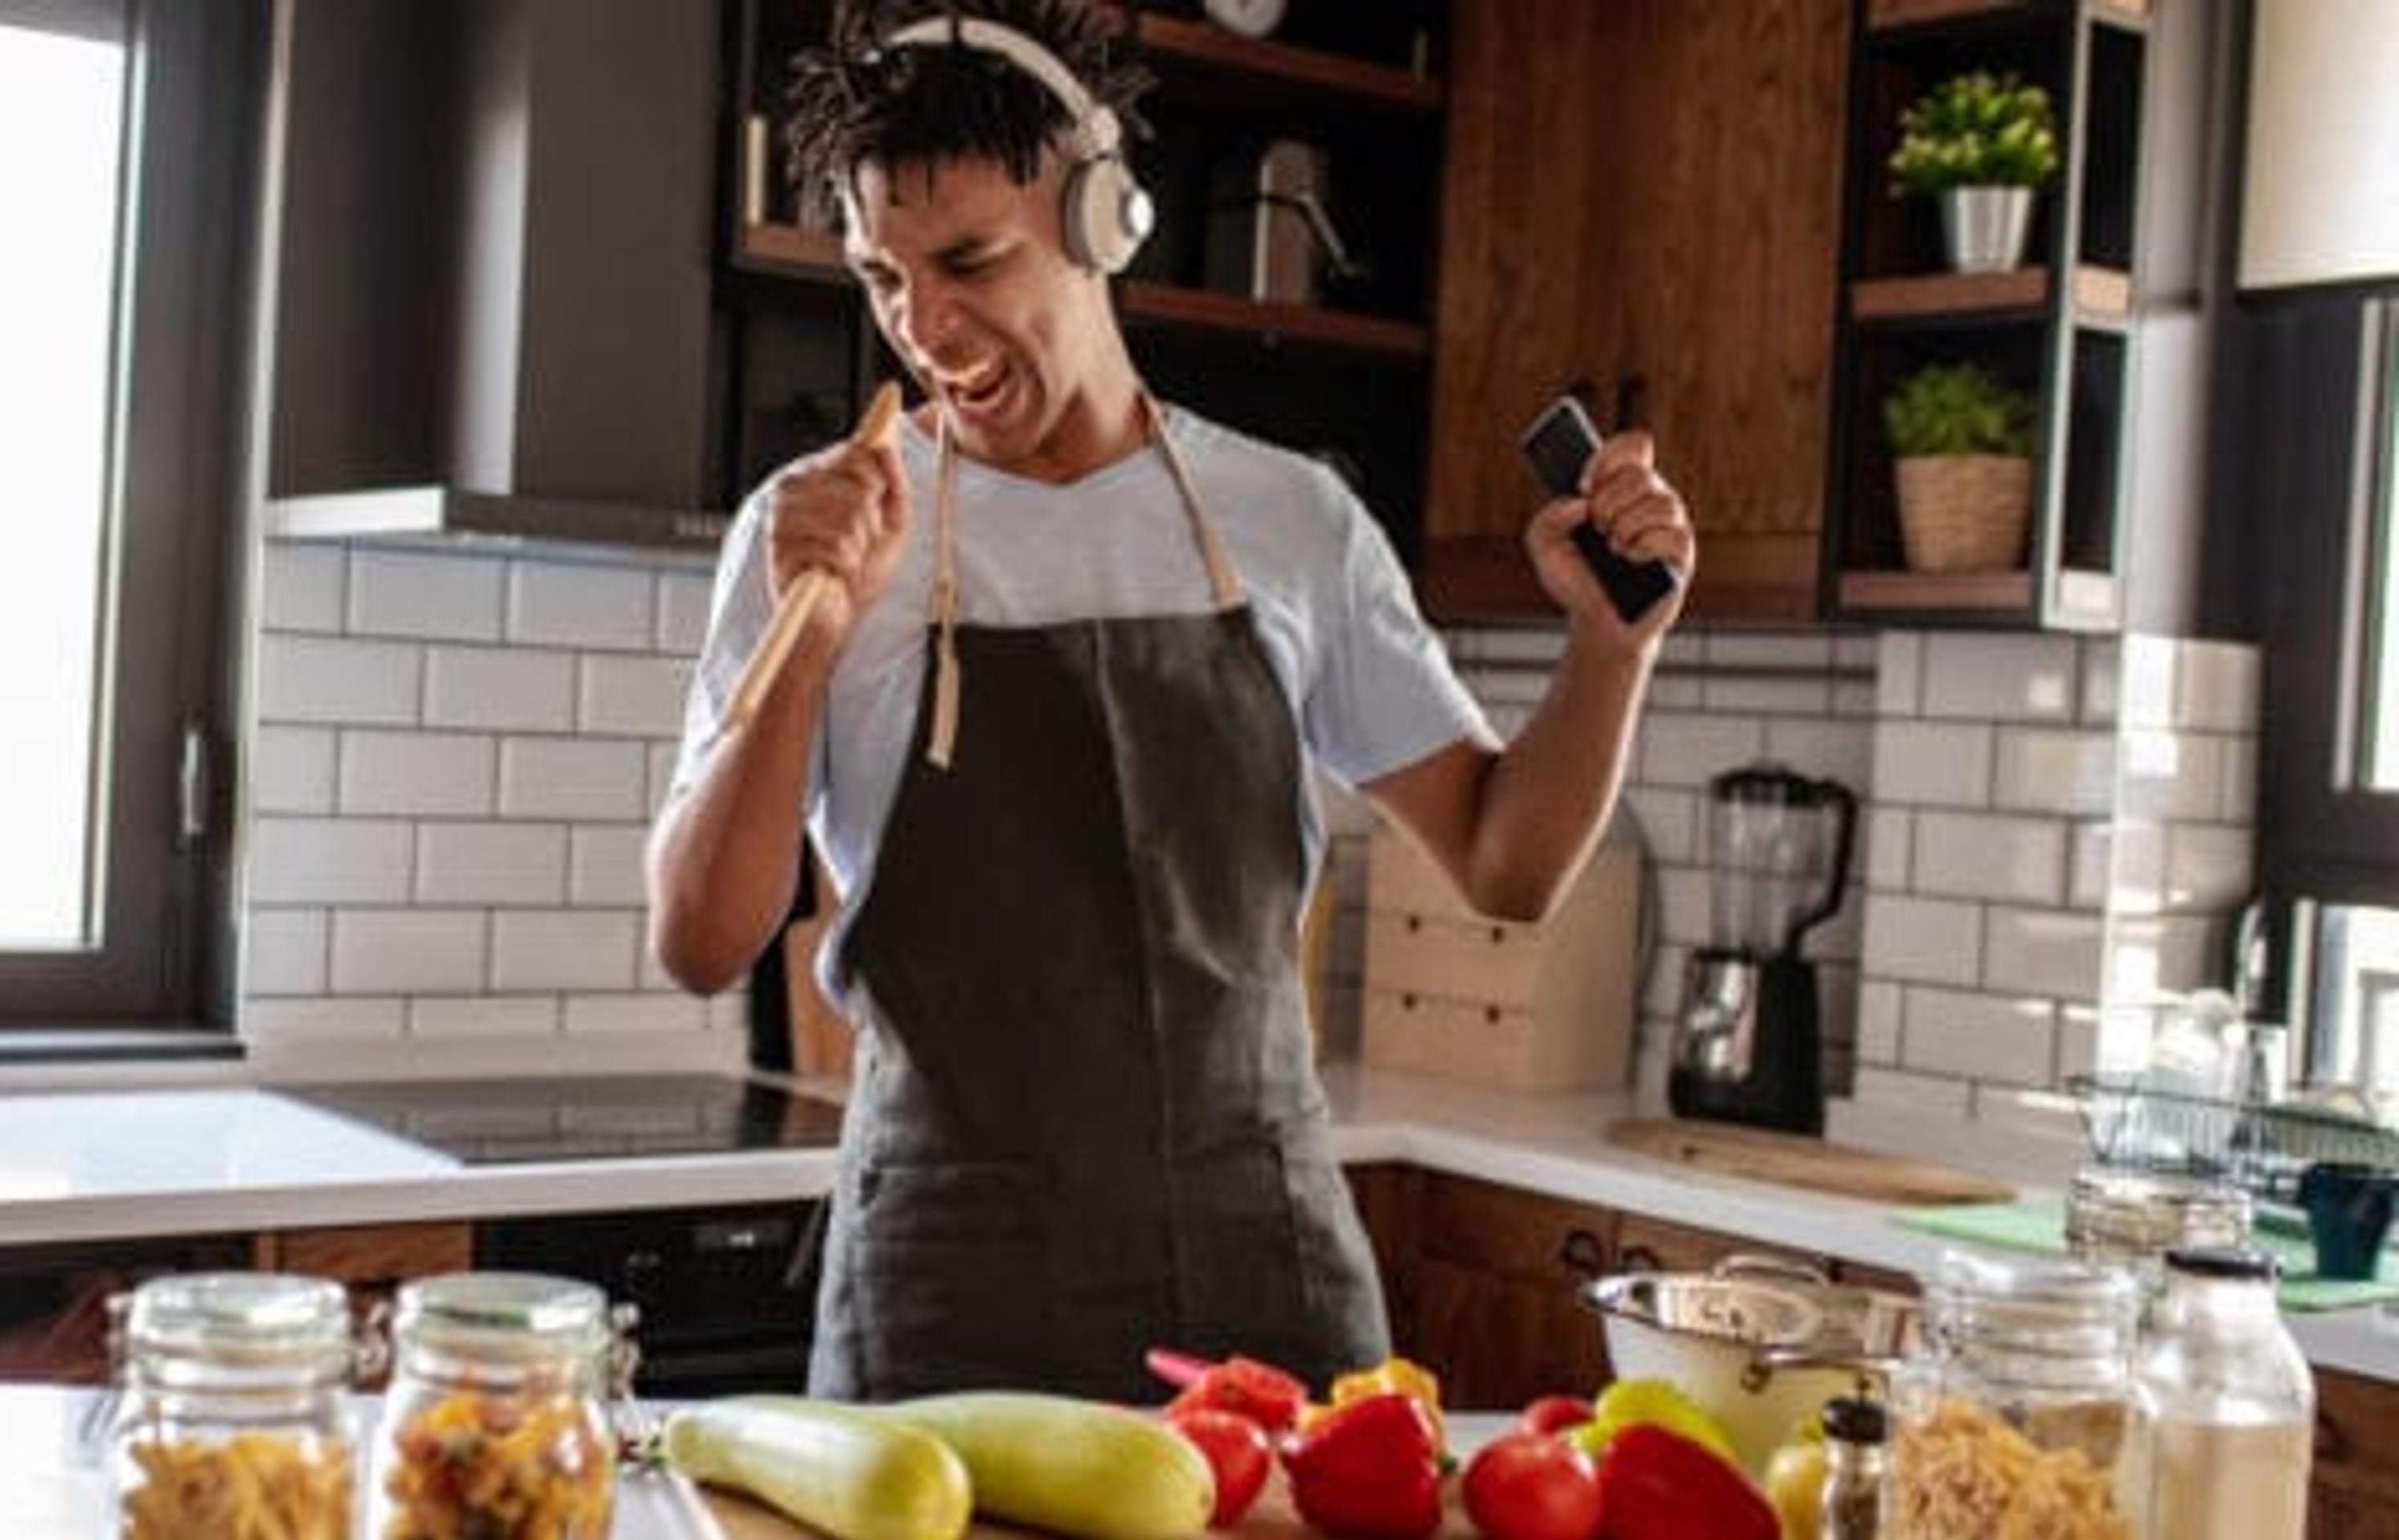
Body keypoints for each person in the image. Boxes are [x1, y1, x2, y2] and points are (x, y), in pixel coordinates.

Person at [649, 0, 1694, 1402]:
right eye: (883, 278)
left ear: (1101, 221)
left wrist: (1611, 651)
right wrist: (809, 624)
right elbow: (704, 941)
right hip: (948, 1288)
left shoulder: (1291, 519)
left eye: (969, 261)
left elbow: (1512, 863)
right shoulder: (816, 528)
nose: (923, 327)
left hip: (1265, 1274)